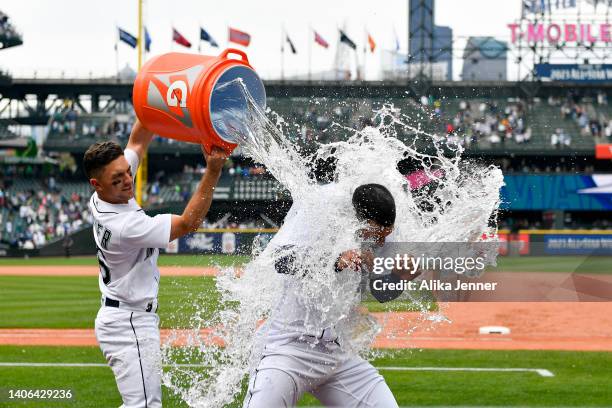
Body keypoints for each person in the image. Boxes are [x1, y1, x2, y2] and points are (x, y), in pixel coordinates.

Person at [83, 120, 227, 408]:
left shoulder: (105, 195)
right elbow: (188, 223)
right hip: (129, 322)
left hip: (125, 316)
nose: (127, 180)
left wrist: (152, 103)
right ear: (96, 185)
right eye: (118, 179)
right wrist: (213, 170)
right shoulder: (126, 225)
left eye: (127, 172)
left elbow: (137, 142)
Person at [243, 184, 417, 408]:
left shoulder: (383, 229)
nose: (381, 242)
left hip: (337, 352)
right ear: (360, 220)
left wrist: (399, 278)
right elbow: (282, 260)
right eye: (376, 235)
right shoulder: (322, 213)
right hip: (289, 348)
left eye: (386, 236)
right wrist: (335, 260)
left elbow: (381, 292)